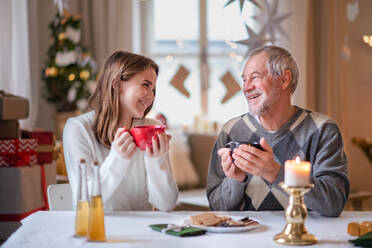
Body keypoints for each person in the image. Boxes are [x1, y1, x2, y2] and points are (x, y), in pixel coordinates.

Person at [207, 45, 349, 217]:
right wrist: (235, 181)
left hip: (304, 239)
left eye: (255, 77)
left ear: (284, 79)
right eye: (244, 80)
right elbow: (216, 209)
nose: (247, 87)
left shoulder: (322, 130)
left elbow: (333, 203)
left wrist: (276, 173)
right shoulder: (231, 131)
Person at [63, 51, 178, 211]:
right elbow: (86, 204)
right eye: (146, 85)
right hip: (101, 232)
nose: (151, 96)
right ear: (117, 84)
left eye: (153, 89)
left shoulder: (151, 127)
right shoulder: (78, 129)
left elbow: (166, 205)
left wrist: (155, 161)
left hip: (143, 232)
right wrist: (118, 159)